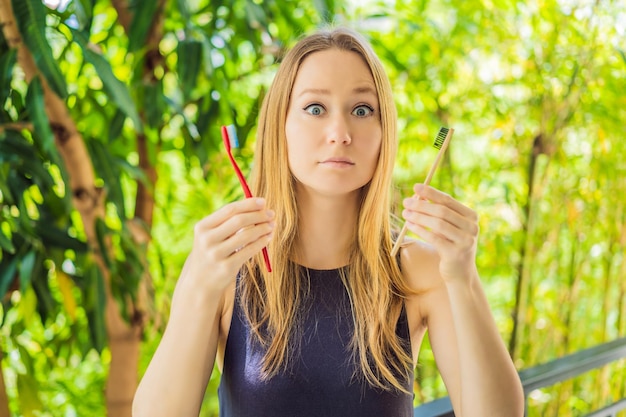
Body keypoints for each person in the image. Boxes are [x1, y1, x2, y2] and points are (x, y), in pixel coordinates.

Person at [132, 26, 525, 417]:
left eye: (361, 110)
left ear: (384, 132)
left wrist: (464, 278)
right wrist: (198, 288)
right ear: (279, 127)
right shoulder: (228, 268)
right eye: (315, 109)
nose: (340, 134)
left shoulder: (419, 272)